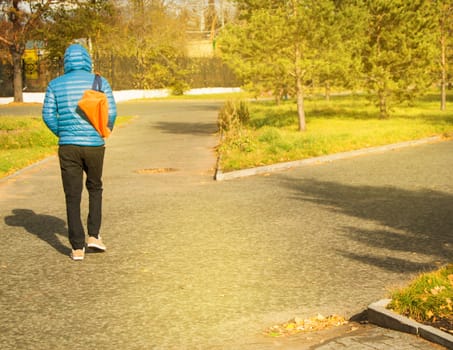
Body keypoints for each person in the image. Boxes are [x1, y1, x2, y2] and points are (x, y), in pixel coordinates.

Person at [42, 43, 117, 261]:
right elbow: (111, 111)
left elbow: (48, 115)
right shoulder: (99, 81)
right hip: (94, 145)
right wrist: (104, 129)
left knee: (72, 195)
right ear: (86, 59)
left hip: (68, 147)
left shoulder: (55, 84)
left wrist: (63, 132)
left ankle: (76, 248)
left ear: (66, 61)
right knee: (95, 187)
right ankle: (93, 236)